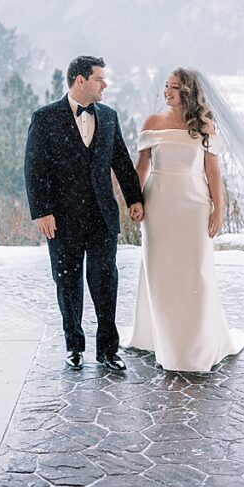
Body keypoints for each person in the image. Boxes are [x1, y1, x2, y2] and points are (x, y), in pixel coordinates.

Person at [122, 68, 244, 371]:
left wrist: (218, 209)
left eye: (175, 88)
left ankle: (195, 345)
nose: (167, 92)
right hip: (159, 205)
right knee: (160, 270)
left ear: (188, 92)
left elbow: (213, 172)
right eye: (166, 86)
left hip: (194, 206)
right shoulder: (152, 123)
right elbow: (141, 166)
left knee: (196, 271)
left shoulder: (204, 126)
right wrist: (135, 200)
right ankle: (162, 339)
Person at [24, 55, 144, 371]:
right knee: (68, 282)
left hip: (103, 215)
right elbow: (35, 168)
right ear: (81, 80)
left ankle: (108, 351)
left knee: (106, 281)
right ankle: (74, 347)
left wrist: (135, 198)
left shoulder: (108, 116)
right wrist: (42, 211)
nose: (105, 84)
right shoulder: (45, 118)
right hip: (61, 219)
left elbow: (121, 160)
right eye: (99, 79)